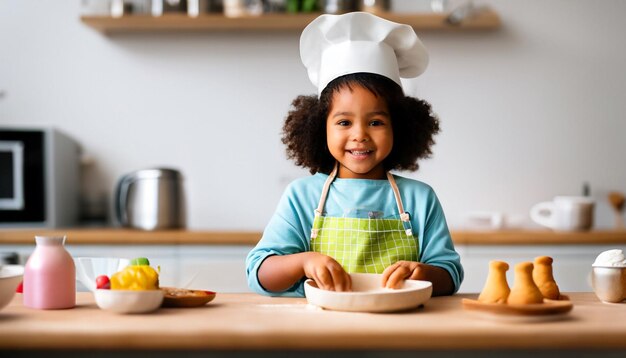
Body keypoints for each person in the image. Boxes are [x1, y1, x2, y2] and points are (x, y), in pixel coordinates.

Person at [246, 12, 463, 297]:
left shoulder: (420, 199)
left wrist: (424, 273)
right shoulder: (302, 196)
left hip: (400, 329)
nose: (359, 135)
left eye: (376, 122)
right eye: (344, 122)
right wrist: (304, 262)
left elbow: (449, 274)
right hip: (320, 330)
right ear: (318, 127)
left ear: (399, 127)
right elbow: (260, 274)